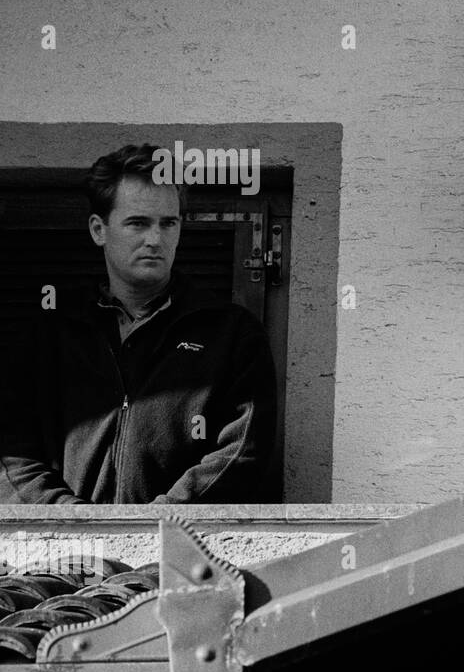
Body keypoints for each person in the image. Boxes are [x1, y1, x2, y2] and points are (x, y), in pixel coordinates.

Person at [0, 144, 278, 503]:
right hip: (68, 549)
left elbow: (241, 453)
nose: (155, 239)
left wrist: (155, 524)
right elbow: (11, 451)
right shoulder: (47, 333)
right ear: (99, 229)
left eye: (168, 223)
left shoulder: (232, 333)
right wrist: (73, 519)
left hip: (179, 552)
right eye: (138, 223)